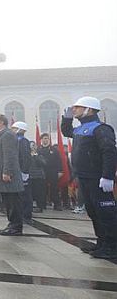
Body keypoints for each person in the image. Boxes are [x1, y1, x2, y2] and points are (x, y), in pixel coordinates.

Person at [62, 96, 117, 259]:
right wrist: (67, 119)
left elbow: (109, 152)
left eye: (78, 107)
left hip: (97, 178)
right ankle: (102, 243)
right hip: (84, 178)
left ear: (90, 110)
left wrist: (107, 176)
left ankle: (113, 247)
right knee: (93, 212)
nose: (75, 110)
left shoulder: (101, 129)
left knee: (106, 212)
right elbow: (66, 131)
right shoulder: (80, 129)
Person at [0, 114, 24, 236]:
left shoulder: (8, 135)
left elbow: (10, 155)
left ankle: (16, 227)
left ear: (1, 122)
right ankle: (12, 224)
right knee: (8, 202)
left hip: (8, 176)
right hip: (2, 175)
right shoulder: (2, 135)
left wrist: (7, 172)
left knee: (13, 201)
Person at [11, 122, 33, 224]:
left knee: (25, 195)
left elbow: (25, 157)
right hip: (17, 171)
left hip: (22, 172)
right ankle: (21, 214)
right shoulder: (16, 140)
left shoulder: (23, 141)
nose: (13, 130)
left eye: (15, 128)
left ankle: (27, 215)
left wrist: (24, 171)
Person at [37, 133, 62, 210]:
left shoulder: (54, 150)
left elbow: (59, 161)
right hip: (42, 171)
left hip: (53, 171)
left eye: (47, 138)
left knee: (54, 188)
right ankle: (42, 205)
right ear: (41, 140)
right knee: (42, 189)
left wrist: (60, 171)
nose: (46, 140)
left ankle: (57, 204)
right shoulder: (38, 150)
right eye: (44, 138)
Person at [29, 140, 47, 212]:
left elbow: (43, 163)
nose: (33, 147)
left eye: (34, 145)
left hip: (38, 176)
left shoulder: (39, 154)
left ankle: (40, 207)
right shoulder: (26, 155)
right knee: (31, 193)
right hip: (30, 176)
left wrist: (35, 156)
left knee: (39, 193)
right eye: (31, 145)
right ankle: (31, 206)